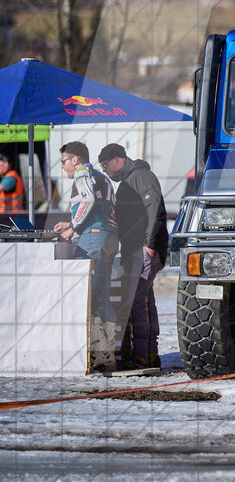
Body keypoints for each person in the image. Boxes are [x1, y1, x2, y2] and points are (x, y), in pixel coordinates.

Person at [98, 143, 169, 370]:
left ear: (117, 160)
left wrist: (149, 244)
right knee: (145, 300)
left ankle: (142, 356)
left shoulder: (141, 176)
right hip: (135, 248)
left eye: (105, 165)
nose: (105, 170)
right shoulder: (128, 181)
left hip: (142, 248)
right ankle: (149, 354)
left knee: (138, 301)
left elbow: (154, 209)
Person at [52, 141, 119, 373]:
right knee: (102, 294)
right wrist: (72, 222)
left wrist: (73, 228)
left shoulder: (82, 172)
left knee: (90, 296)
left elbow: (88, 199)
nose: (62, 166)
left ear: (75, 160)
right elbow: (97, 203)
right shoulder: (102, 177)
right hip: (109, 236)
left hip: (94, 237)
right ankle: (108, 352)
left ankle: (102, 355)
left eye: (63, 161)